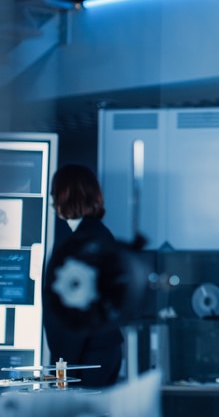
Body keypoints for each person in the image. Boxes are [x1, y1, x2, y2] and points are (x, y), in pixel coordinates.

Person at [42, 164, 123, 388]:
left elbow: (74, 311)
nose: (51, 200)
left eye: (55, 192)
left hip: (85, 356)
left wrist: (62, 374)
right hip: (100, 352)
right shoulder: (99, 236)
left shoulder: (81, 243)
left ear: (69, 195)